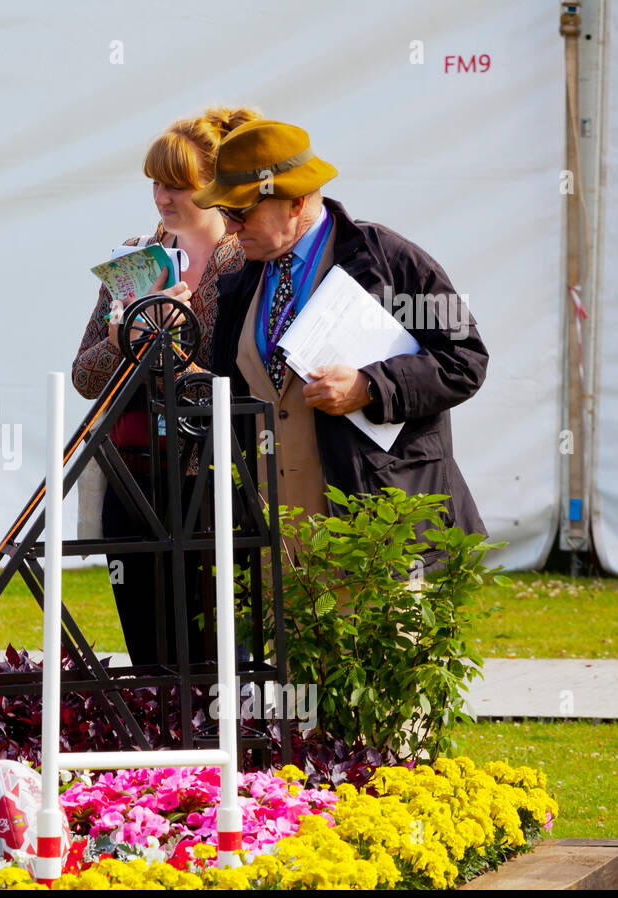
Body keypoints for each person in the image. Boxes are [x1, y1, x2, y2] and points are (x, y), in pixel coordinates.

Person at [192, 119, 488, 548]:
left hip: (379, 539)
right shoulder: (240, 284)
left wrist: (371, 386)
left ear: (294, 202)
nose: (231, 226)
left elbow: (466, 359)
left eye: (241, 211)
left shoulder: (390, 260)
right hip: (275, 547)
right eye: (224, 212)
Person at [71, 107, 256, 667]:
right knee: (148, 654)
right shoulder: (136, 256)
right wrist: (127, 337)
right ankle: (154, 753)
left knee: (217, 651)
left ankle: (218, 753)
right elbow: (83, 375)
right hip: (136, 477)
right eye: (156, 181)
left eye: (178, 184)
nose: (162, 197)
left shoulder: (245, 261)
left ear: (215, 186)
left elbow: (247, 385)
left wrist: (169, 350)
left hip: (219, 483)